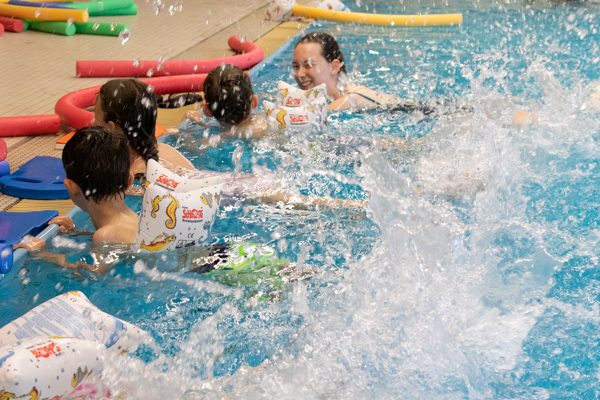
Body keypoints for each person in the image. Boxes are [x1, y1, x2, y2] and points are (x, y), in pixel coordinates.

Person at [17, 126, 139, 272]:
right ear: (129, 181)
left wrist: (44, 254)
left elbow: (93, 276)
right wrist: (76, 233)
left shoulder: (105, 236)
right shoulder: (134, 219)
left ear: (71, 188)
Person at [292, 32, 409, 111]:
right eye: (296, 66)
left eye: (308, 65)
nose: (299, 74)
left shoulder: (348, 100)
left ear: (334, 67)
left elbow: (307, 120)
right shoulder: (330, 96)